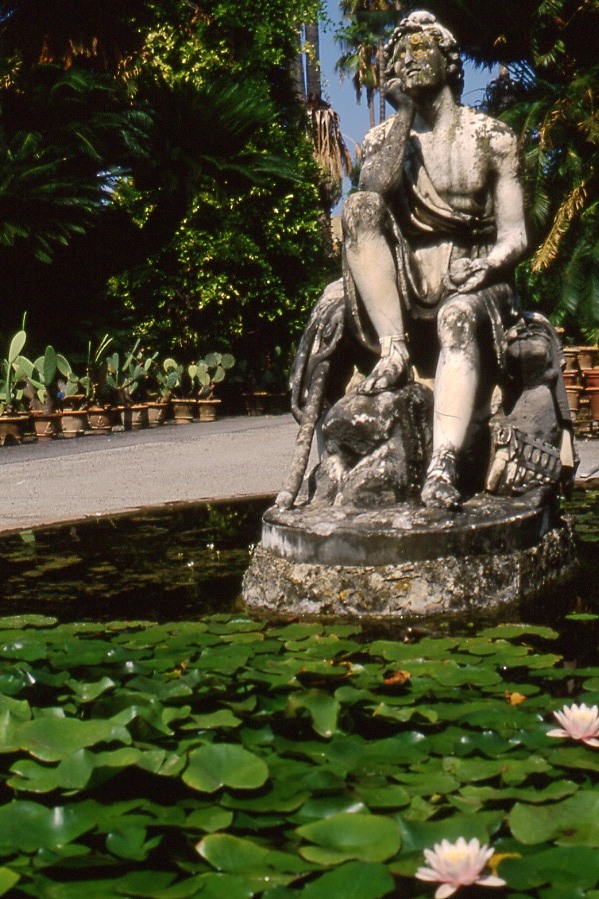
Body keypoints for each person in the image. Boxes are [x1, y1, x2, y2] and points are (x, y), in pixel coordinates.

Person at [341, 10, 529, 509]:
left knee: (458, 315)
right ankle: (394, 349)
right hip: (405, 276)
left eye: (420, 49)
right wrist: (401, 115)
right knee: (356, 205)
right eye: (399, 55)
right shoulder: (385, 140)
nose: (407, 59)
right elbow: (370, 204)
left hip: (474, 271)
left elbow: (515, 237)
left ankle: (442, 465)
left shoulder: (492, 138)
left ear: (450, 61)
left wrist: (487, 268)